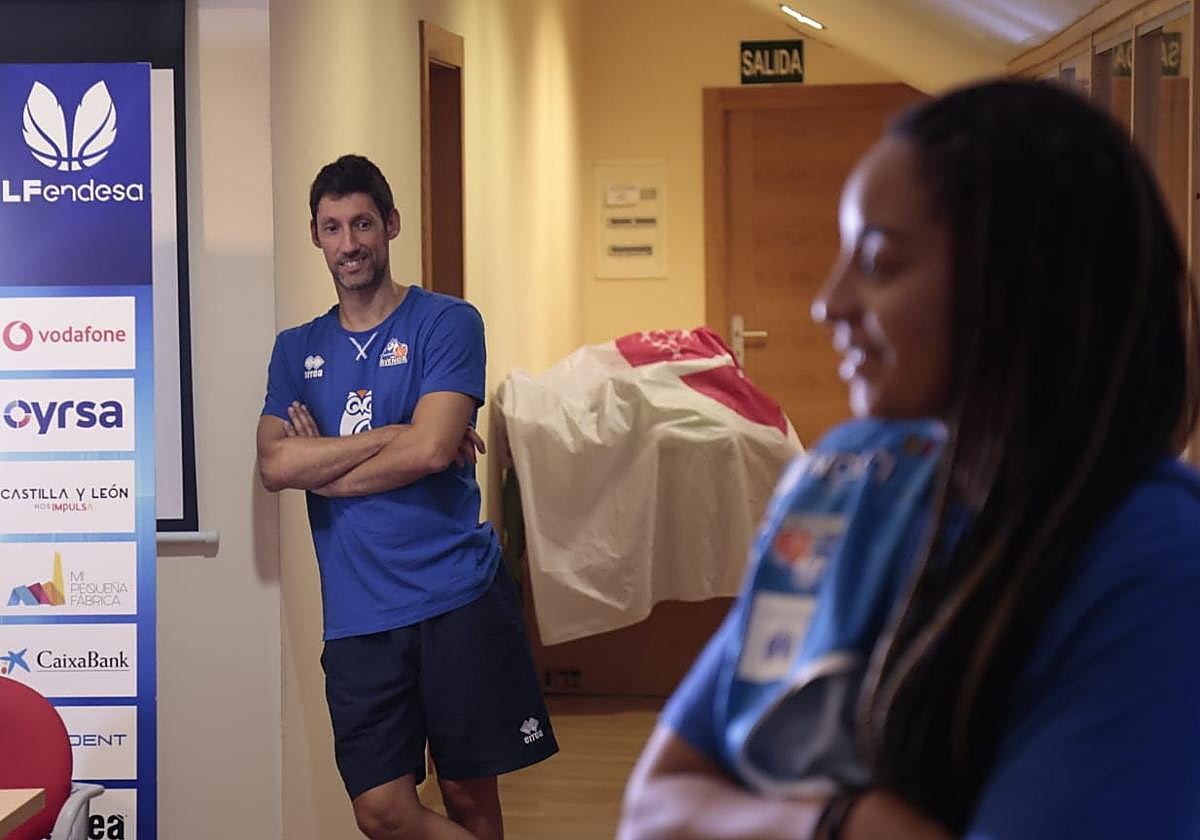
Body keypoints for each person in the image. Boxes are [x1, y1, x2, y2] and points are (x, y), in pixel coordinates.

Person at [618, 78, 1200, 839]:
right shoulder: (850, 481)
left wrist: (760, 818)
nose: (830, 303)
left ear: (1020, 283)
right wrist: (844, 824)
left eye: (881, 264)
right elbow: (656, 806)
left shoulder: (1150, 557)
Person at [256, 154, 557, 840]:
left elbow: (430, 452)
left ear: (390, 224)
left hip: (456, 598)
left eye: (362, 223)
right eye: (332, 228)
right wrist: (400, 433)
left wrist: (323, 462)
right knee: (381, 812)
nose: (349, 242)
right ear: (315, 236)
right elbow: (275, 464)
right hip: (358, 615)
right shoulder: (294, 348)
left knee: (469, 798)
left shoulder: (447, 322)